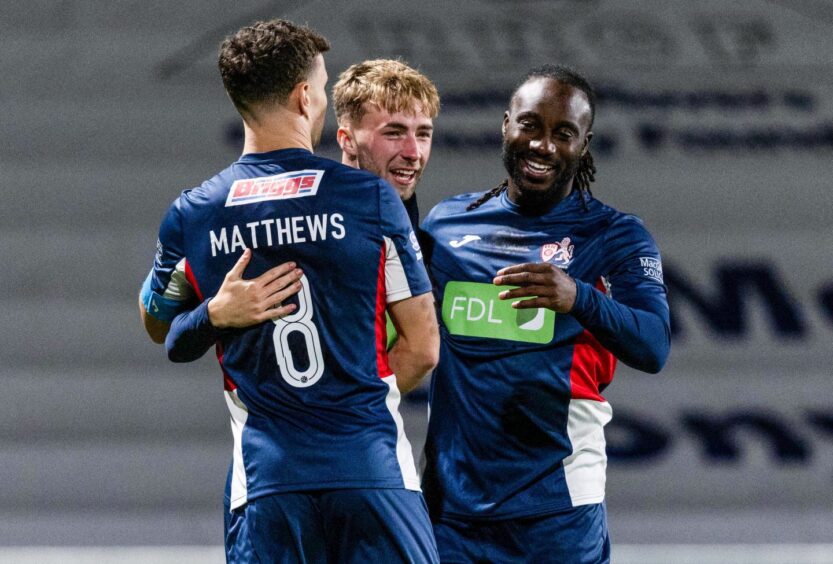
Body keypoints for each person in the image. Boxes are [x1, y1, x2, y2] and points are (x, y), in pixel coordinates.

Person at [138, 19, 440, 563]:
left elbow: (157, 322)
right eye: (321, 89)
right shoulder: (370, 198)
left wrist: (215, 313)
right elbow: (422, 348)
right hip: (371, 473)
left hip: (268, 482)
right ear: (305, 96)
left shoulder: (196, 212)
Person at [418, 65, 671, 563]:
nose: (543, 146)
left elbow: (655, 344)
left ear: (585, 144)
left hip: (557, 511)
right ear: (506, 124)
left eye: (564, 134)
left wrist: (579, 297)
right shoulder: (446, 224)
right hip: (452, 511)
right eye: (530, 125)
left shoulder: (615, 235)